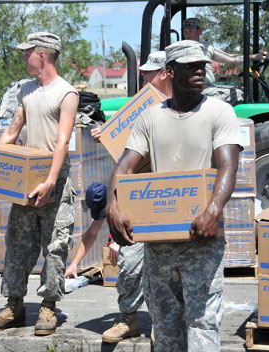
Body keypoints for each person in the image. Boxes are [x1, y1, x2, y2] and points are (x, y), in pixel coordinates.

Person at [105, 40, 242, 351]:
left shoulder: (220, 112)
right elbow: (124, 165)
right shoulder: (150, 118)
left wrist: (213, 210)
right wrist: (114, 205)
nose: (199, 70)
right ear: (169, 72)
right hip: (160, 246)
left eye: (202, 65)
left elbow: (228, 167)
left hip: (201, 241)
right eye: (190, 66)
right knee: (165, 327)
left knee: (203, 323)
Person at [0, 32, 79, 336]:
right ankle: (14, 306)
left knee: (54, 246)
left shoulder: (66, 93)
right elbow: (12, 130)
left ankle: (48, 307)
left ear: (43, 55)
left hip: (54, 182)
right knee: (18, 245)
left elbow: (62, 141)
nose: (23, 58)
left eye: (27, 53)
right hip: (26, 181)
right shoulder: (26, 90)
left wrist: (50, 181)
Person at [83, 51, 172, 344]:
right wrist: (107, 133)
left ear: (166, 73)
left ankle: (163, 321)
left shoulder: (180, 109)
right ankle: (129, 320)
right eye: (144, 71)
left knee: (169, 268)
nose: (144, 76)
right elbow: (124, 146)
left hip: (169, 196)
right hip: (137, 195)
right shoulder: (140, 110)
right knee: (131, 263)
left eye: (150, 72)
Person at [182, 17, 267, 87]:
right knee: (239, 95)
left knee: (236, 91)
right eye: (185, 31)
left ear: (199, 30)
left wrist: (254, 57)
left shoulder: (207, 47)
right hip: (197, 90)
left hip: (208, 88)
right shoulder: (181, 48)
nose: (187, 34)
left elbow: (232, 59)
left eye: (190, 30)